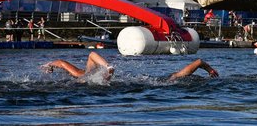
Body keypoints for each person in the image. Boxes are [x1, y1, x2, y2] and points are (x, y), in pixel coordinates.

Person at [43, 52, 218, 80]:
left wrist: (49, 65)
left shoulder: (80, 75)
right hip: (155, 80)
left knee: (175, 78)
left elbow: (61, 63)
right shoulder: (83, 74)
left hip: (95, 77)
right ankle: (107, 67)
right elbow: (61, 62)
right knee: (174, 78)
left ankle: (107, 67)